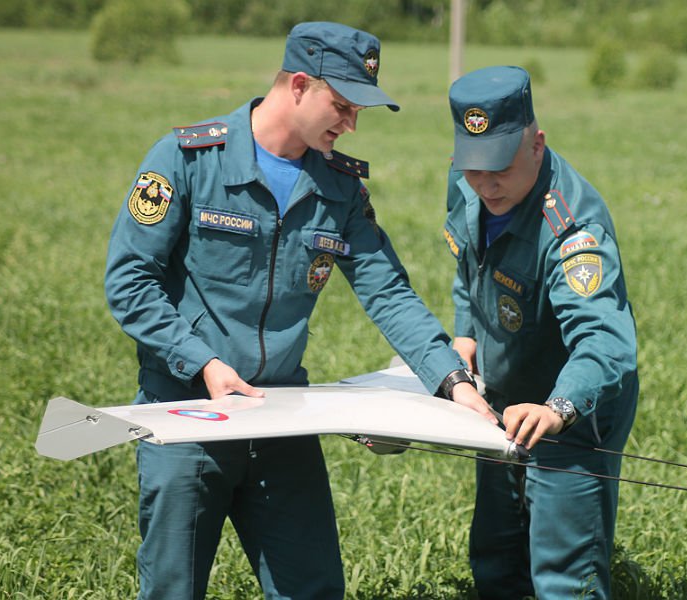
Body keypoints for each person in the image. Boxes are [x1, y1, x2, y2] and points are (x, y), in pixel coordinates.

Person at [104, 21, 493, 600]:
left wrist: (452, 382)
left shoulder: (340, 187)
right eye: (341, 105)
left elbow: (387, 292)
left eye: (358, 110)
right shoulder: (188, 159)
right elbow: (129, 281)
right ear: (299, 85)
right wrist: (203, 362)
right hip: (187, 411)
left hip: (281, 416)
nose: (351, 122)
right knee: (172, 588)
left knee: (313, 588)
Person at [442, 65, 639, 599]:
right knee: (496, 551)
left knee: (562, 567)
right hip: (504, 393)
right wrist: (466, 334)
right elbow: (470, 269)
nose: (486, 184)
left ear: (536, 144)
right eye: (474, 168)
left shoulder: (573, 231)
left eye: (500, 168)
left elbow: (603, 342)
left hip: (572, 404)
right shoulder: (468, 185)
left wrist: (557, 409)